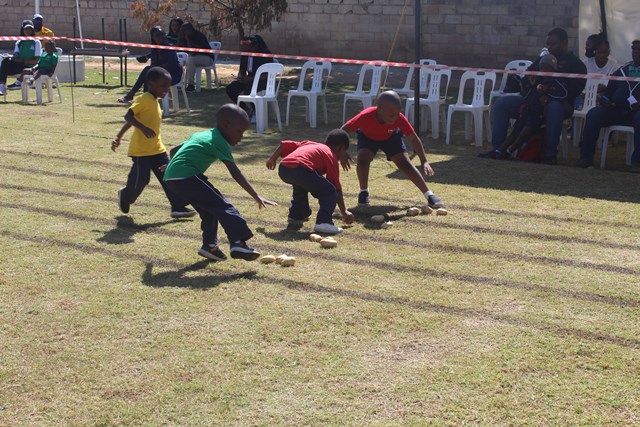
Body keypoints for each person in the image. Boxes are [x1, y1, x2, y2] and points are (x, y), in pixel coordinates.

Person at [163, 104, 277, 261]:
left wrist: (171, 166)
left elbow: (174, 151)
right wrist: (256, 195)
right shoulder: (219, 141)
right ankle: (238, 242)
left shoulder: (201, 134)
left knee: (209, 210)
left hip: (172, 178)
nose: (240, 138)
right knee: (224, 206)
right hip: (186, 176)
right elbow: (235, 173)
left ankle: (210, 247)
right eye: (239, 132)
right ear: (226, 125)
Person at [482, 28, 587, 164]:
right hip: (534, 100)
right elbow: (527, 77)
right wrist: (530, 82)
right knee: (502, 104)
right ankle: (497, 149)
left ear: (564, 42)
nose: (549, 47)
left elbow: (573, 91)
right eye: (548, 44)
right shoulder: (543, 59)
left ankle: (550, 155)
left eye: (553, 44)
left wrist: (548, 95)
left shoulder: (577, 65)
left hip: (560, 104)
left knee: (554, 107)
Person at [111, 67, 196, 218]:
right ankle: (125, 196)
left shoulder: (155, 101)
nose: (166, 90)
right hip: (142, 151)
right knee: (141, 180)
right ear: (151, 84)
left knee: (169, 175)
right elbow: (129, 117)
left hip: (157, 149)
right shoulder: (144, 99)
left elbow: (134, 119)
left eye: (168, 86)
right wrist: (125, 134)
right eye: (163, 86)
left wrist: (119, 136)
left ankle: (177, 206)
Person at [340, 90, 445, 209]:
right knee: (363, 159)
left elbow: (414, 138)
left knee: (405, 164)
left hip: (391, 137)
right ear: (380, 109)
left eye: (397, 114)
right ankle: (363, 192)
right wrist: (343, 152)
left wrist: (424, 161)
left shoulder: (399, 118)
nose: (394, 118)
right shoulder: (366, 116)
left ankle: (429, 195)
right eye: (391, 115)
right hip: (368, 137)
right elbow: (343, 130)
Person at [266, 129, 355, 235]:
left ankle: (297, 214)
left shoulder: (310, 144)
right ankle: (324, 222)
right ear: (340, 148)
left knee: (301, 185)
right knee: (330, 191)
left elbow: (284, 145)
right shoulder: (330, 155)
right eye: (344, 153)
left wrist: (272, 159)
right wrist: (344, 211)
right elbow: (336, 187)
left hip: (284, 168)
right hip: (302, 168)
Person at [577, 40, 640, 172]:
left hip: (636, 113)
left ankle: (637, 162)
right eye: (634, 48)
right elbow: (608, 93)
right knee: (594, 113)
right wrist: (605, 100)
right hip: (616, 110)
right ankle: (586, 158)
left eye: (639, 49)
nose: (636, 52)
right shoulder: (622, 71)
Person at [495, 54, 569, 160]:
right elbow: (526, 93)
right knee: (515, 131)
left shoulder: (555, 82)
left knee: (524, 133)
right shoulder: (537, 79)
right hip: (527, 110)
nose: (544, 71)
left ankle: (509, 152)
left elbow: (564, 95)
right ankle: (498, 150)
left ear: (553, 69)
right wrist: (531, 84)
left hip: (538, 113)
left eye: (547, 68)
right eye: (542, 68)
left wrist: (547, 95)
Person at [117, 27, 182, 104]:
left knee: (148, 70)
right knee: (148, 74)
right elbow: (154, 64)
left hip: (172, 75)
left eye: (162, 34)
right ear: (153, 38)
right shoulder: (154, 49)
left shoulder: (169, 47)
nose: (161, 37)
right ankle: (145, 100)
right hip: (160, 74)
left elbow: (171, 65)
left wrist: (156, 69)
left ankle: (133, 95)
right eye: (157, 35)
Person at [225, 35, 274, 118]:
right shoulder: (245, 55)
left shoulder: (265, 54)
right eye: (242, 44)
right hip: (249, 81)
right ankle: (246, 110)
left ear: (254, 45)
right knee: (231, 89)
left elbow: (268, 75)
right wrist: (241, 77)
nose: (243, 47)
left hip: (262, 82)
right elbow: (242, 70)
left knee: (249, 91)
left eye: (246, 45)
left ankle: (257, 112)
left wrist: (252, 79)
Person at [0, 20, 41, 95]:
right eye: (26, 29)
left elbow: (37, 60)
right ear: (22, 30)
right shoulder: (19, 42)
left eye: (30, 29)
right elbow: (16, 54)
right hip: (19, 66)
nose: (28, 31)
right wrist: (13, 57)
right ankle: (2, 87)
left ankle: (18, 83)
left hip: (30, 67)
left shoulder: (36, 42)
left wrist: (23, 61)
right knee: (5, 62)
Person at [178, 22, 213, 93]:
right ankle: (178, 84)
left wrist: (188, 39)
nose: (184, 33)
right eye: (182, 31)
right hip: (193, 57)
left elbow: (193, 52)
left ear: (190, 29)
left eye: (185, 31)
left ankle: (191, 85)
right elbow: (179, 48)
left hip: (207, 58)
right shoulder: (184, 36)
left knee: (191, 60)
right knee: (179, 59)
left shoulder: (198, 36)